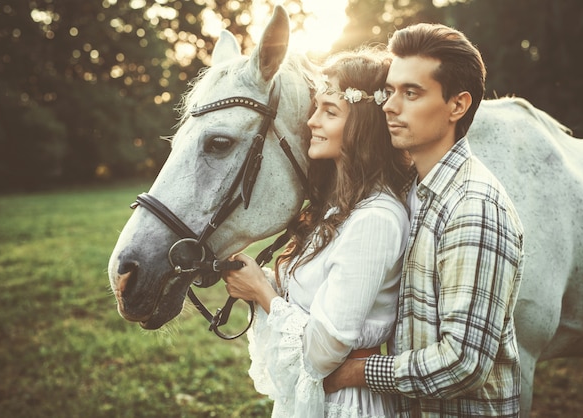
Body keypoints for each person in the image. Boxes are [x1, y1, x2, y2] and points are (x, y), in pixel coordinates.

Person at [323, 23, 526, 417]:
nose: (388, 106)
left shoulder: (474, 208)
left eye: (411, 93)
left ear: (457, 105)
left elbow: (463, 364)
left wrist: (358, 371)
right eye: (390, 90)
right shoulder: (416, 191)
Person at [223, 48, 411, 417]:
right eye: (316, 108)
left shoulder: (376, 219)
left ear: (363, 125)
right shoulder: (338, 207)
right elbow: (311, 305)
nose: (311, 121)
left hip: (345, 405)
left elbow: (324, 351)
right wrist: (254, 279)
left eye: (330, 111)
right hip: (312, 399)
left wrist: (262, 293)